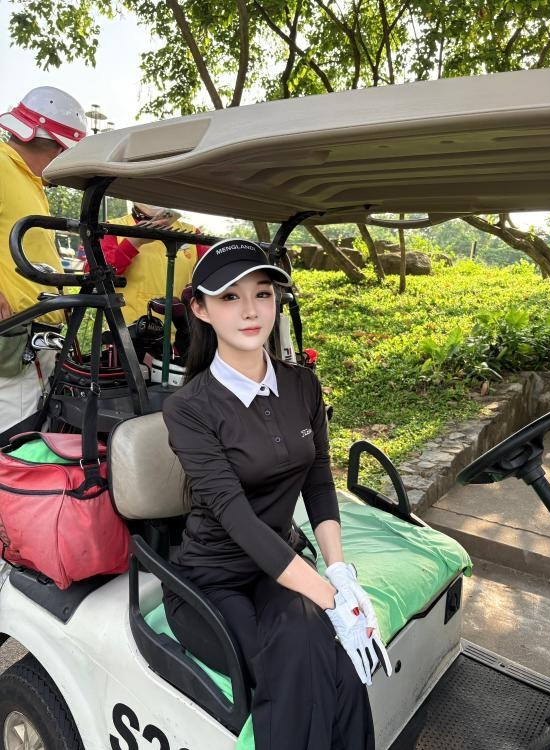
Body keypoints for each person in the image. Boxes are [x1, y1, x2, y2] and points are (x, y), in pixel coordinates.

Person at [161, 238, 390, 750]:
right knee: (301, 660)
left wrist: (339, 574)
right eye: (230, 297)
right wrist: (331, 598)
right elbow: (235, 515)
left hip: (280, 566)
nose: (250, 311)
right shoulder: (189, 408)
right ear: (200, 309)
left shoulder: (303, 385)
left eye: (262, 294)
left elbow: (318, 482)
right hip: (214, 579)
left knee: (333, 648)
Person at [0, 86, 86, 436]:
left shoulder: (26, 177)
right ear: (56, 146)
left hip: (34, 337)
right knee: (15, 442)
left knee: (35, 434)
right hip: (14, 336)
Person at [100, 203, 205, 324]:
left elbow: (215, 274)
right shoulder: (111, 228)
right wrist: (133, 242)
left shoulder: (192, 232)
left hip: (186, 331)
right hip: (130, 331)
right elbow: (96, 273)